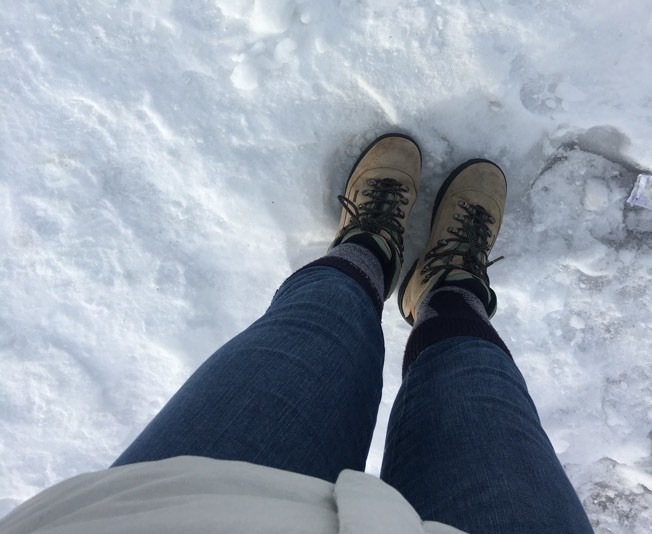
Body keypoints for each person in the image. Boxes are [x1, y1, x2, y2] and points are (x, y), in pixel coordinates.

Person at [0, 133, 594, 533]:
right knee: (476, 385)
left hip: (182, 513)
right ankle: (448, 290)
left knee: (315, 324)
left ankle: (368, 250)